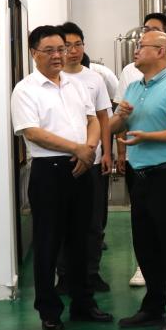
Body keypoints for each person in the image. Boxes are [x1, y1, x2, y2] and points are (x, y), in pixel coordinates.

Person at [11, 25, 113, 330]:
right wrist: (77, 149)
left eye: (61, 49)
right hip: (49, 172)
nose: (58, 55)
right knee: (48, 243)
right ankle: (49, 310)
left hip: (82, 167)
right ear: (34, 53)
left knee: (82, 239)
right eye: (50, 50)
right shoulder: (25, 90)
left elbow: (92, 120)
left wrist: (89, 149)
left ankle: (83, 303)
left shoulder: (75, 84)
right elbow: (32, 132)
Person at [111, 30, 166, 330]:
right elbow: (114, 127)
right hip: (140, 176)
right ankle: (153, 306)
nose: (136, 50)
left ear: (161, 51)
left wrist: (148, 137)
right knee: (145, 244)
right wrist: (120, 116)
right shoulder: (133, 87)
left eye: (141, 46)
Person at [55, 22, 113, 293]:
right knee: (63, 221)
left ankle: (91, 273)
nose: (73, 50)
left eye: (78, 44)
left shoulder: (94, 79)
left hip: (93, 161)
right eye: (67, 46)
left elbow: (103, 118)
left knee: (93, 222)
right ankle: (65, 275)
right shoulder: (53, 78)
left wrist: (107, 153)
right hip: (62, 161)